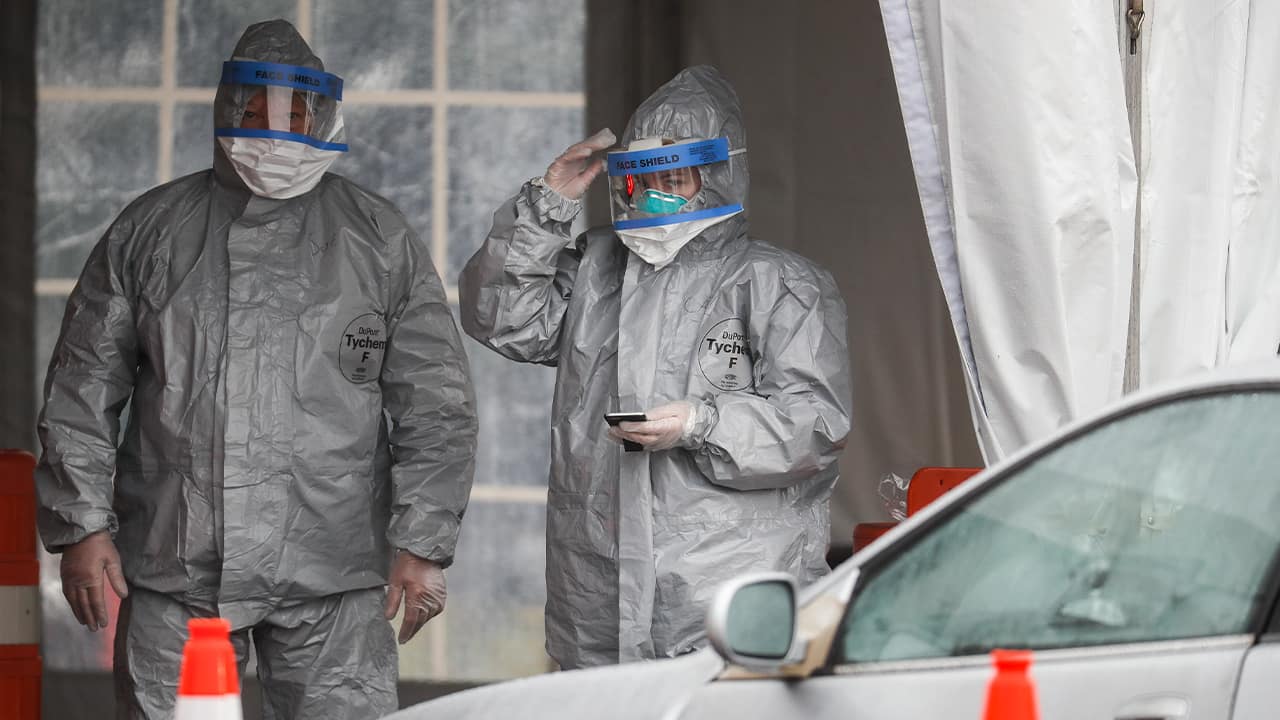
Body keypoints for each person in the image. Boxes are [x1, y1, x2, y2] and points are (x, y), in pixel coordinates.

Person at [34, 19, 477, 719]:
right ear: (225, 110)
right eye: (255, 108)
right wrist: (82, 528)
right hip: (177, 567)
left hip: (332, 572)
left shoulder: (376, 237)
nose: (274, 127)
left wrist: (423, 543)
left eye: (295, 110)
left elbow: (435, 403)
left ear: (324, 114)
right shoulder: (150, 231)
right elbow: (83, 390)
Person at [459, 65, 852, 669]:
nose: (655, 193)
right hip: (593, 592)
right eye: (641, 178)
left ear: (718, 174)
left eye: (676, 175)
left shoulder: (780, 284)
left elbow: (814, 427)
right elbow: (500, 318)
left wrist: (702, 423)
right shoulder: (594, 266)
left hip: (721, 594)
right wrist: (547, 205)